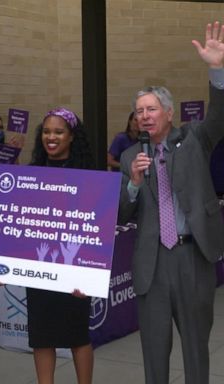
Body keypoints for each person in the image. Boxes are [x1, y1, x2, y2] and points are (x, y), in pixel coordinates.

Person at [118, 21, 224, 384]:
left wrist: (217, 69)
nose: (144, 116)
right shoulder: (131, 154)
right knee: (154, 351)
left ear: (168, 112)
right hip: (152, 264)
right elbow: (121, 212)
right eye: (139, 111)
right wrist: (132, 183)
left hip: (192, 256)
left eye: (150, 109)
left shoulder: (195, 138)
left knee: (196, 348)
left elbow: (219, 116)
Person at [0, 107, 95, 383]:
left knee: (78, 335)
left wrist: (89, 276)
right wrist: (6, 268)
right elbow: (19, 227)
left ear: (72, 137)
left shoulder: (89, 176)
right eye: (47, 131)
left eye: (59, 132)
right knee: (42, 336)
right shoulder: (31, 175)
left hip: (75, 268)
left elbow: (96, 228)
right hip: (40, 268)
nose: (52, 137)